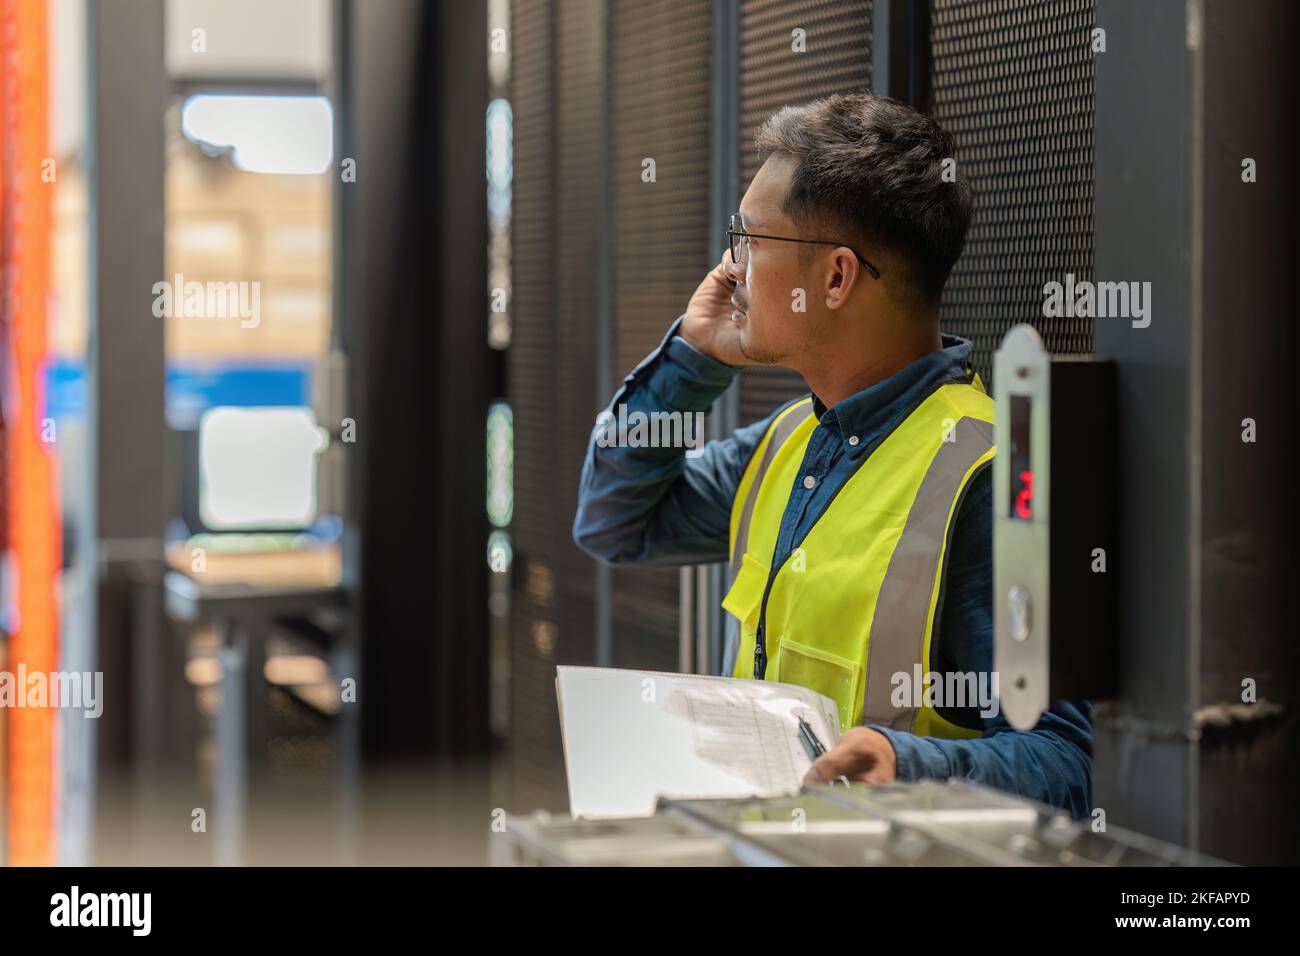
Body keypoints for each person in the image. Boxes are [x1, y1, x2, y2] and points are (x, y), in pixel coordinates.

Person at [573, 92, 1091, 818]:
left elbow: (1065, 765)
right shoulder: (790, 443)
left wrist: (908, 764)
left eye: (749, 238)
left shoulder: (988, 476)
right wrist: (690, 359)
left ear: (837, 277)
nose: (731, 267)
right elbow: (614, 523)